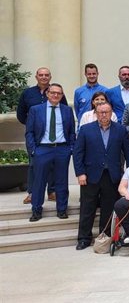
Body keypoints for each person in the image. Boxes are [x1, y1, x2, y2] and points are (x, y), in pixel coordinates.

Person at [73, 102, 129, 250]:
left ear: (111, 113)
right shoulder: (86, 130)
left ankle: (105, 236)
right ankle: (83, 238)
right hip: (90, 175)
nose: (104, 115)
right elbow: (78, 153)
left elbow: (128, 153)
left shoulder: (120, 130)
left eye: (106, 112)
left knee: (108, 208)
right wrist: (80, 173)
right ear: (96, 113)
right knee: (87, 207)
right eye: (101, 112)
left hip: (112, 176)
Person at [25, 83, 75, 222]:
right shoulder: (36, 110)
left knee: (61, 181)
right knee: (39, 181)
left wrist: (70, 148)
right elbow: (29, 132)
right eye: (53, 92)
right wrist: (33, 149)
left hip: (61, 149)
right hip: (42, 149)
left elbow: (71, 131)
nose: (55, 95)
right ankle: (36, 210)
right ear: (47, 93)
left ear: (62, 95)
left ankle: (62, 209)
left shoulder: (67, 110)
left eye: (59, 93)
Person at [17, 67, 68, 205]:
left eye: (46, 75)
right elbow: (20, 114)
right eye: (41, 75)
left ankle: (52, 192)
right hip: (36, 138)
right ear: (36, 77)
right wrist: (31, 126)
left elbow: (64, 113)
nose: (44, 77)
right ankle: (32, 193)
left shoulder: (56, 92)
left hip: (55, 139)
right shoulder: (27, 93)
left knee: (53, 166)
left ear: (50, 77)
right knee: (34, 165)